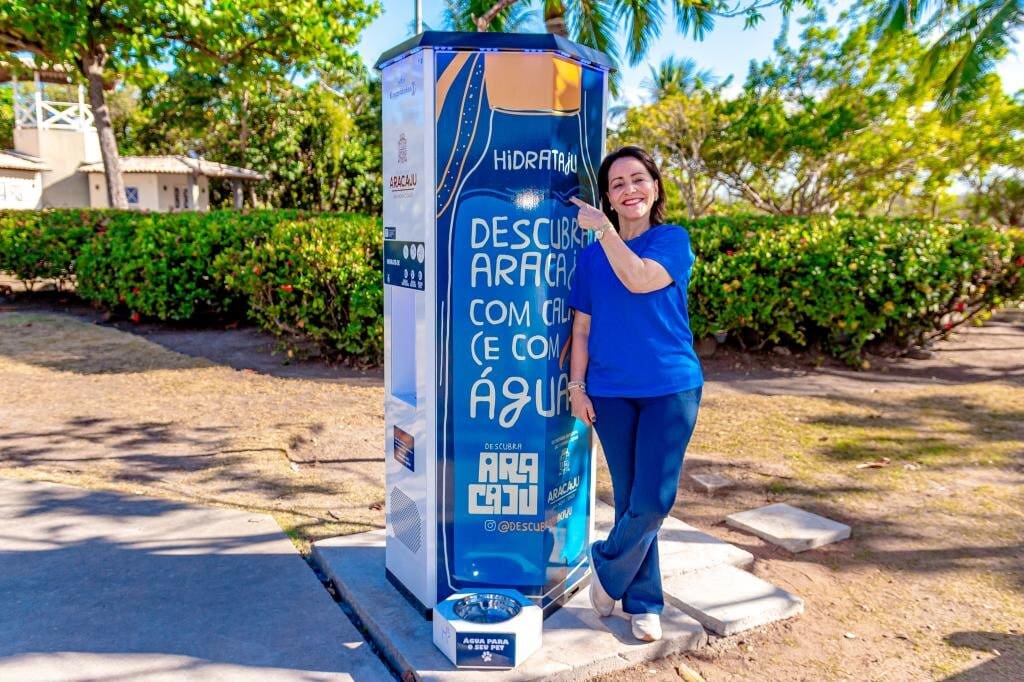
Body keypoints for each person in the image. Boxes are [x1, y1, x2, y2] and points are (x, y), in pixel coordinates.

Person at [567, 146, 703, 642]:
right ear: (607, 195)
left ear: (655, 186)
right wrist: (576, 387)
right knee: (630, 501)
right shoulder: (590, 259)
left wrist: (604, 231)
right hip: (611, 392)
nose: (630, 189)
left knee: (653, 500)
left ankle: (606, 570)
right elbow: (582, 329)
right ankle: (643, 603)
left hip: (671, 387)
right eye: (618, 183)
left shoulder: (672, 240)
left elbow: (640, 279)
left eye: (638, 178)